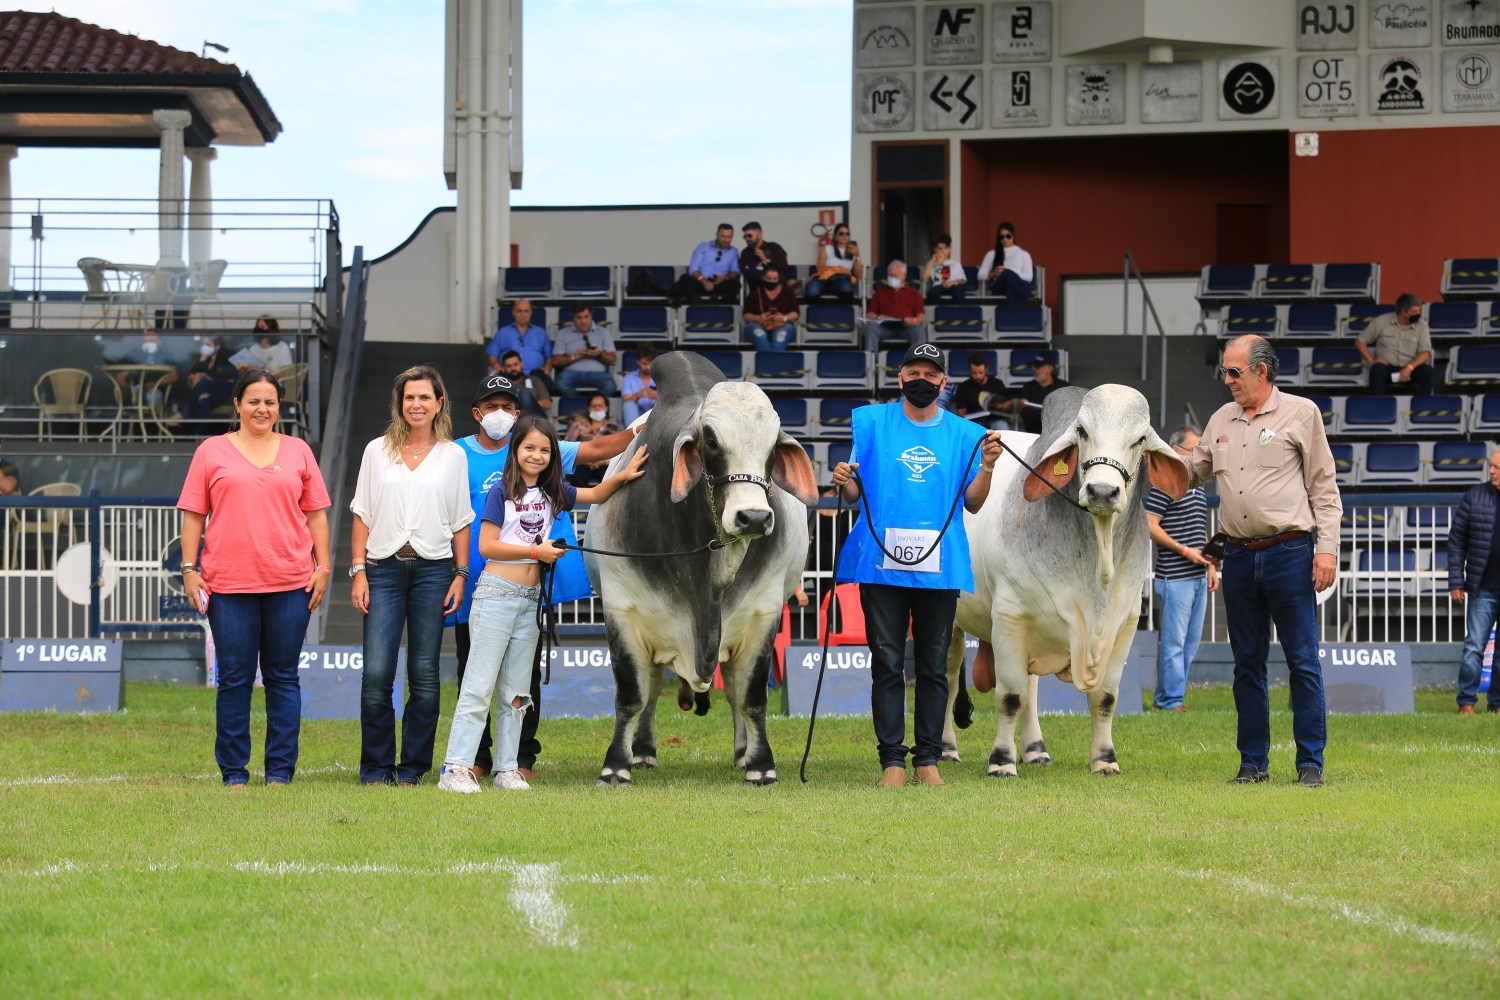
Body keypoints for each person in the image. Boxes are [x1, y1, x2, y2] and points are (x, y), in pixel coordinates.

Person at [437, 414, 649, 793]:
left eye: (545, 450)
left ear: (553, 455)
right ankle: (455, 767)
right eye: (529, 448)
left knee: (517, 691)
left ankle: (506, 768)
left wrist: (625, 471)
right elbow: (486, 546)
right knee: (479, 685)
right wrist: (537, 550)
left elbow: (597, 495)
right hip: (496, 594)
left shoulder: (554, 493)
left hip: (530, 600)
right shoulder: (500, 492)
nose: (536, 455)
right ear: (515, 450)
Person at [831, 342, 1002, 788]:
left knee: (933, 663)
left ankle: (927, 760)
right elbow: (854, 496)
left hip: (937, 566)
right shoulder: (871, 423)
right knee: (886, 662)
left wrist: (985, 467)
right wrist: (844, 481)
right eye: (914, 372)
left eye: (931, 374)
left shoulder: (966, 435)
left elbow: (975, 503)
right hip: (881, 566)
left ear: (944, 383)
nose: (921, 380)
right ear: (900, 377)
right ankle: (892, 761)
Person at [1188, 334, 1342, 788]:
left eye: (1235, 372)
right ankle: (1252, 763)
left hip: (1291, 551)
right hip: (1237, 554)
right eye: (1224, 372)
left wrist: (1327, 548)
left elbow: (1324, 488)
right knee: (1246, 664)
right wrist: (1137, 452)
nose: (1228, 380)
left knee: (1302, 661)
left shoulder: (1302, 413)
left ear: (1262, 371)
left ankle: (1310, 764)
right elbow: (1185, 472)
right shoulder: (1220, 418)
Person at [177, 369, 331, 787]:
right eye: (254, 401)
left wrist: (323, 567)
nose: (262, 408)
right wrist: (189, 570)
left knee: (283, 677)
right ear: (237, 405)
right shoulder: (211, 451)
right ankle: (234, 773)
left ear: (279, 407)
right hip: (228, 585)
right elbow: (194, 514)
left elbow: (316, 514)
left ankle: (279, 771)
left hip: (290, 582)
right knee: (235, 679)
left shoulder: (298, 450)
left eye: (270, 402)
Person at [349, 365, 472, 786]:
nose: (416, 404)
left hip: (435, 572)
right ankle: (376, 768)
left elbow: (461, 521)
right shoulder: (375, 451)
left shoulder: (453, 455)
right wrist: (359, 571)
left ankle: (413, 768)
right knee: (378, 672)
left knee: (424, 674)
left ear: (440, 404)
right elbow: (361, 514)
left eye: (425, 397)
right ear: (399, 404)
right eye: (409, 397)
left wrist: (460, 574)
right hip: (381, 569)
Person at [1146, 424, 1218, 713]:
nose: (1200, 455)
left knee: (1189, 644)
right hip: (1175, 576)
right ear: (1176, 450)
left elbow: (1199, 530)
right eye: (1195, 449)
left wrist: (1211, 565)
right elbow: (1150, 525)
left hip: (1197, 576)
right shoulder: (1165, 484)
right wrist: (1184, 551)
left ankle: (1169, 697)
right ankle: (1170, 700)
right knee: (1175, 643)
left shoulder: (1196, 485)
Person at [1447, 448, 1500, 715]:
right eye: (1491, 466)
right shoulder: (1474, 496)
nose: (1491, 471)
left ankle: (1498, 704)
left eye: (1497, 467)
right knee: (1474, 647)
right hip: (1482, 588)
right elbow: (1456, 542)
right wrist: (1456, 580)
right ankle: (1466, 702)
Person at [1355, 293, 1435, 396]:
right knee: (1377, 369)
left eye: (1419, 311)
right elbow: (1360, 341)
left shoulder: (1421, 326)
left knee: (1428, 372)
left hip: (1410, 371)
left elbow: (1426, 353)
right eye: (1414, 312)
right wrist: (1371, 361)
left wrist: (1409, 368)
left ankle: (1420, 407)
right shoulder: (1381, 321)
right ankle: (1377, 406)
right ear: (1403, 312)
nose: (1418, 314)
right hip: (1388, 371)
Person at [486, 299, 554, 392]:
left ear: (531, 313)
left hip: (535, 374)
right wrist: (496, 366)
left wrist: (547, 368)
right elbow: (492, 355)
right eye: (519, 311)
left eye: (526, 311)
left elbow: (549, 357)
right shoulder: (503, 332)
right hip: (509, 372)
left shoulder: (541, 333)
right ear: (514, 312)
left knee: (546, 382)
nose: (523, 315)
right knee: (496, 384)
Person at [550, 305, 618, 398]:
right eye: (579, 318)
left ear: (591, 315)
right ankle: (581, 405)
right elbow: (556, 361)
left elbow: (613, 360)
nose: (583, 321)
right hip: (571, 373)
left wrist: (599, 354)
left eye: (586, 317)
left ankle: (593, 404)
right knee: (560, 384)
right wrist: (575, 357)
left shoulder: (603, 332)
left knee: (610, 386)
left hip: (598, 374)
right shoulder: (563, 333)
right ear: (573, 317)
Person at [993, 354, 1069, 434]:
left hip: (1056, 430)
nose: (1034, 370)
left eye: (1038, 367)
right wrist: (1021, 404)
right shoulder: (1028, 386)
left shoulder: (1063, 386)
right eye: (1033, 367)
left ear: (1050, 369)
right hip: (1032, 431)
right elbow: (1019, 410)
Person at [862, 260, 926, 354]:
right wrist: (879, 317)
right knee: (871, 328)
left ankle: (918, 362)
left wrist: (913, 320)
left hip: (907, 328)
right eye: (890, 275)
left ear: (904, 276)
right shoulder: (880, 292)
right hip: (885, 327)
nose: (892, 278)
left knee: (918, 330)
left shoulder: (914, 293)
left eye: (895, 276)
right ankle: (872, 362)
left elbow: (921, 316)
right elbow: (869, 314)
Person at [181, 335, 241, 432]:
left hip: (226, 391)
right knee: (203, 400)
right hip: (209, 393)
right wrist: (202, 359)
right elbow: (191, 373)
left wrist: (209, 376)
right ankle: (201, 436)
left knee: (204, 381)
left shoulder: (228, 355)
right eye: (203, 345)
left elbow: (232, 373)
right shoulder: (206, 358)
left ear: (217, 346)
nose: (205, 347)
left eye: (208, 344)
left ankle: (183, 412)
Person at [671, 223, 741, 305]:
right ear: (717, 235)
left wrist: (725, 277)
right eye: (723, 236)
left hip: (720, 283)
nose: (725, 240)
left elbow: (735, 271)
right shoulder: (703, 247)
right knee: (685, 279)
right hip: (701, 281)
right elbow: (693, 269)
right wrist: (704, 282)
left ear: (732, 237)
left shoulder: (733, 251)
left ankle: (720, 307)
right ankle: (696, 305)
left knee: (735, 285)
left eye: (729, 237)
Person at [564, 394, 621, 487]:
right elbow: (568, 446)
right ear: (589, 408)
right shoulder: (578, 425)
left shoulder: (614, 427)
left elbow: (619, 450)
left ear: (606, 408)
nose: (597, 408)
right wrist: (586, 461)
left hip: (605, 464)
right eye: (593, 406)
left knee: (610, 479)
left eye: (600, 406)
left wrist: (601, 461)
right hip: (581, 463)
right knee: (577, 477)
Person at [743, 263, 800, 352]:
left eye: (775, 279)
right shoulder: (756, 292)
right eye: (768, 278)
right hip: (758, 324)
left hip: (782, 324)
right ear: (763, 277)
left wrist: (784, 318)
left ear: (779, 279)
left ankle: (775, 364)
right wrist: (759, 318)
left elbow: (795, 313)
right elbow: (746, 315)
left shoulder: (787, 291)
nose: (771, 281)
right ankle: (766, 363)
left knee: (779, 341)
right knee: (760, 337)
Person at [976, 221, 1035, 305]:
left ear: (1014, 235)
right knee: (1007, 273)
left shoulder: (1023, 254)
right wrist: (994, 274)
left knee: (1010, 286)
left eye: (1008, 236)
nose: (1005, 239)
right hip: (999, 286)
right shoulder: (992, 254)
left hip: (1015, 286)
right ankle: (1027, 296)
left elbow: (1029, 277)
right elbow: (980, 275)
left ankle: (1012, 316)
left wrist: (1012, 274)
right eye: (1001, 237)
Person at [805, 224, 862, 301]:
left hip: (841, 281)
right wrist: (838, 268)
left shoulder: (852, 250)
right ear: (835, 237)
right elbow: (820, 269)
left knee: (846, 289)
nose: (845, 236)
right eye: (841, 234)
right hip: (824, 280)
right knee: (812, 290)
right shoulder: (827, 248)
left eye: (847, 234)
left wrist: (857, 255)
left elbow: (859, 275)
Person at [949, 353, 1006, 428]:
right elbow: (961, 413)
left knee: (1002, 426)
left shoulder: (997, 384)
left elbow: (1008, 405)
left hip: (995, 420)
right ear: (970, 370)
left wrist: (998, 406)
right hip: (973, 423)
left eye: (980, 373)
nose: (977, 376)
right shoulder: (963, 387)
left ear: (986, 369)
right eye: (974, 373)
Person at [499, 350, 552, 416]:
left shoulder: (534, 380)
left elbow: (547, 404)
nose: (513, 368)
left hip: (535, 420)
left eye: (515, 364)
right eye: (509, 366)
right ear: (504, 368)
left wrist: (525, 402)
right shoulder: (500, 385)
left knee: (524, 394)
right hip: (512, 421)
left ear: (521, 364)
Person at [740, 221, 790, 289]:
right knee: (752, 271)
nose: (747, 239)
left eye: (749, 235)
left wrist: (766, 260)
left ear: (759, 233)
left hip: (778, 288)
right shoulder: (746, 252)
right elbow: (745, 271)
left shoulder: (774, 247)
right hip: (757, 289)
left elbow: (783, 266)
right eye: (745, 237)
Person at [920, 234, 967, 304]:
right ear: (935, 249)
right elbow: (924, 278)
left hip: (952, 285)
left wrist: (952, 282)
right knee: (932, 292)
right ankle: (935, 313)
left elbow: (963, 280)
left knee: (959, 292)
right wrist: (932, 261)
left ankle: (959, 313)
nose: (943, 251)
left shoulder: (956, 263)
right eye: (940, 248)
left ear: (950, 249)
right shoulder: (932, 263)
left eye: (946, 248)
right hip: (938, 285)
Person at [620, 344, 658, 425]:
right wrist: (637, 395)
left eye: (650, 363)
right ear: (637, 361)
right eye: (644, 364)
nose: (648, 367)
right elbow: (625, 401)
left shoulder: (662, 377)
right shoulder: (629, 378)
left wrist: (659, 397)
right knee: (628, 404)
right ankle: (633, 434)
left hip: (657, 417)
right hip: (636, 418)